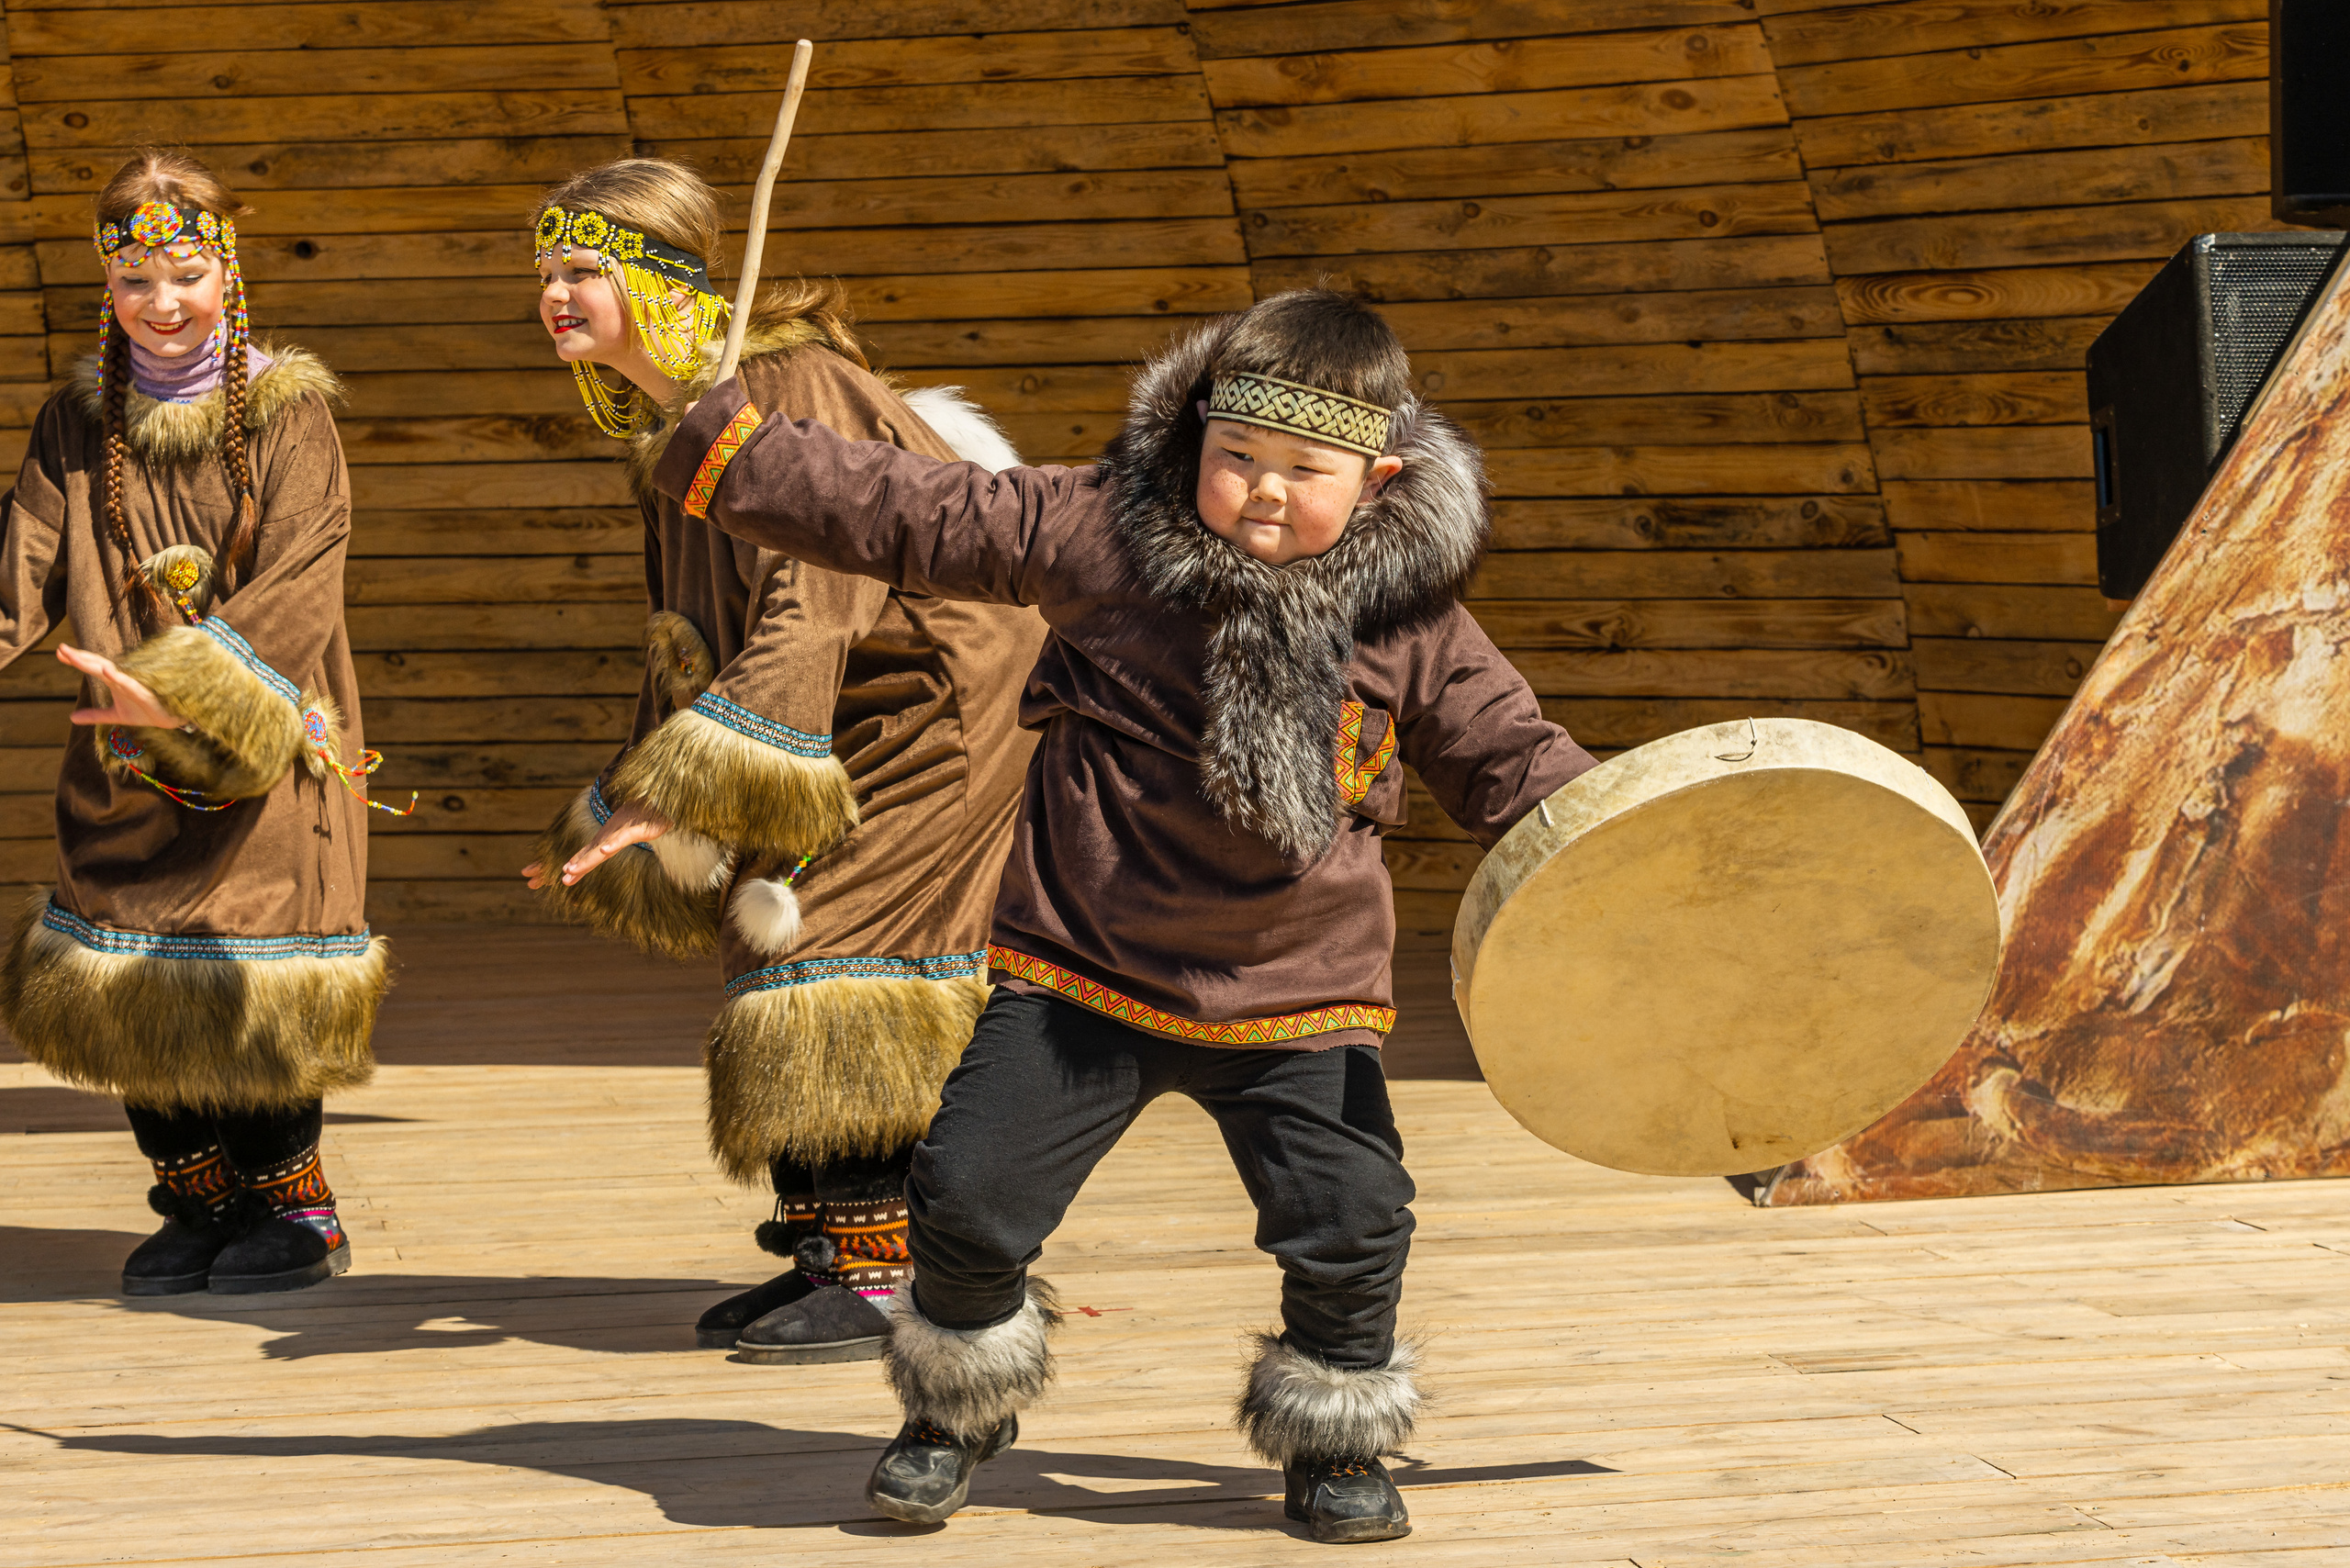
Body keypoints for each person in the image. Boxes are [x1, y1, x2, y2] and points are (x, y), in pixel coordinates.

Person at [565, 287, 1598, 1541]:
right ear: (1196, 441)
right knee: (963, 1197)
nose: (1264, 492)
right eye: (1237, 460)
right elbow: (901, 507)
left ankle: (1334, 1440)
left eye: (1304, 472)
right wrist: (716, 429)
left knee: (1352, 1223)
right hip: (1082, 978)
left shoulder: (1416, 619)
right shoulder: (1098, 531)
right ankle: (956, 1409)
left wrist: (1640, 859)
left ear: (1378, 480)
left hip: (1301, 995)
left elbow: (1514, 763)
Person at [518, 159, 1043, 1363]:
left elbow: (822, 590)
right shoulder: (680, 414)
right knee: (773, 940)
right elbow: (690, 630)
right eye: (545, 272)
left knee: (840, 953)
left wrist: (689, 783)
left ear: (660, 277)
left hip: (932, 706)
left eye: (585, 270)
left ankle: (890, 1273)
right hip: (824, 706)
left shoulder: (788, 384)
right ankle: (827, 1245)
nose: (555, 293)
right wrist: (647, 788)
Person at [0, 150, 387, 1296]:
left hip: (266, 736)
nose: (162, 305)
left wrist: (195, 684)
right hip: (120, 740)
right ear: (105, 291)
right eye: (135, 284)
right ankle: (197, 1197)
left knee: (251, 968)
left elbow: (305, 571)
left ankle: (294, 1206)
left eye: (185, 274)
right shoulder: (78, 425)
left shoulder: (289, 412)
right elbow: (22, 561)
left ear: (230, 271)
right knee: (132, 961)